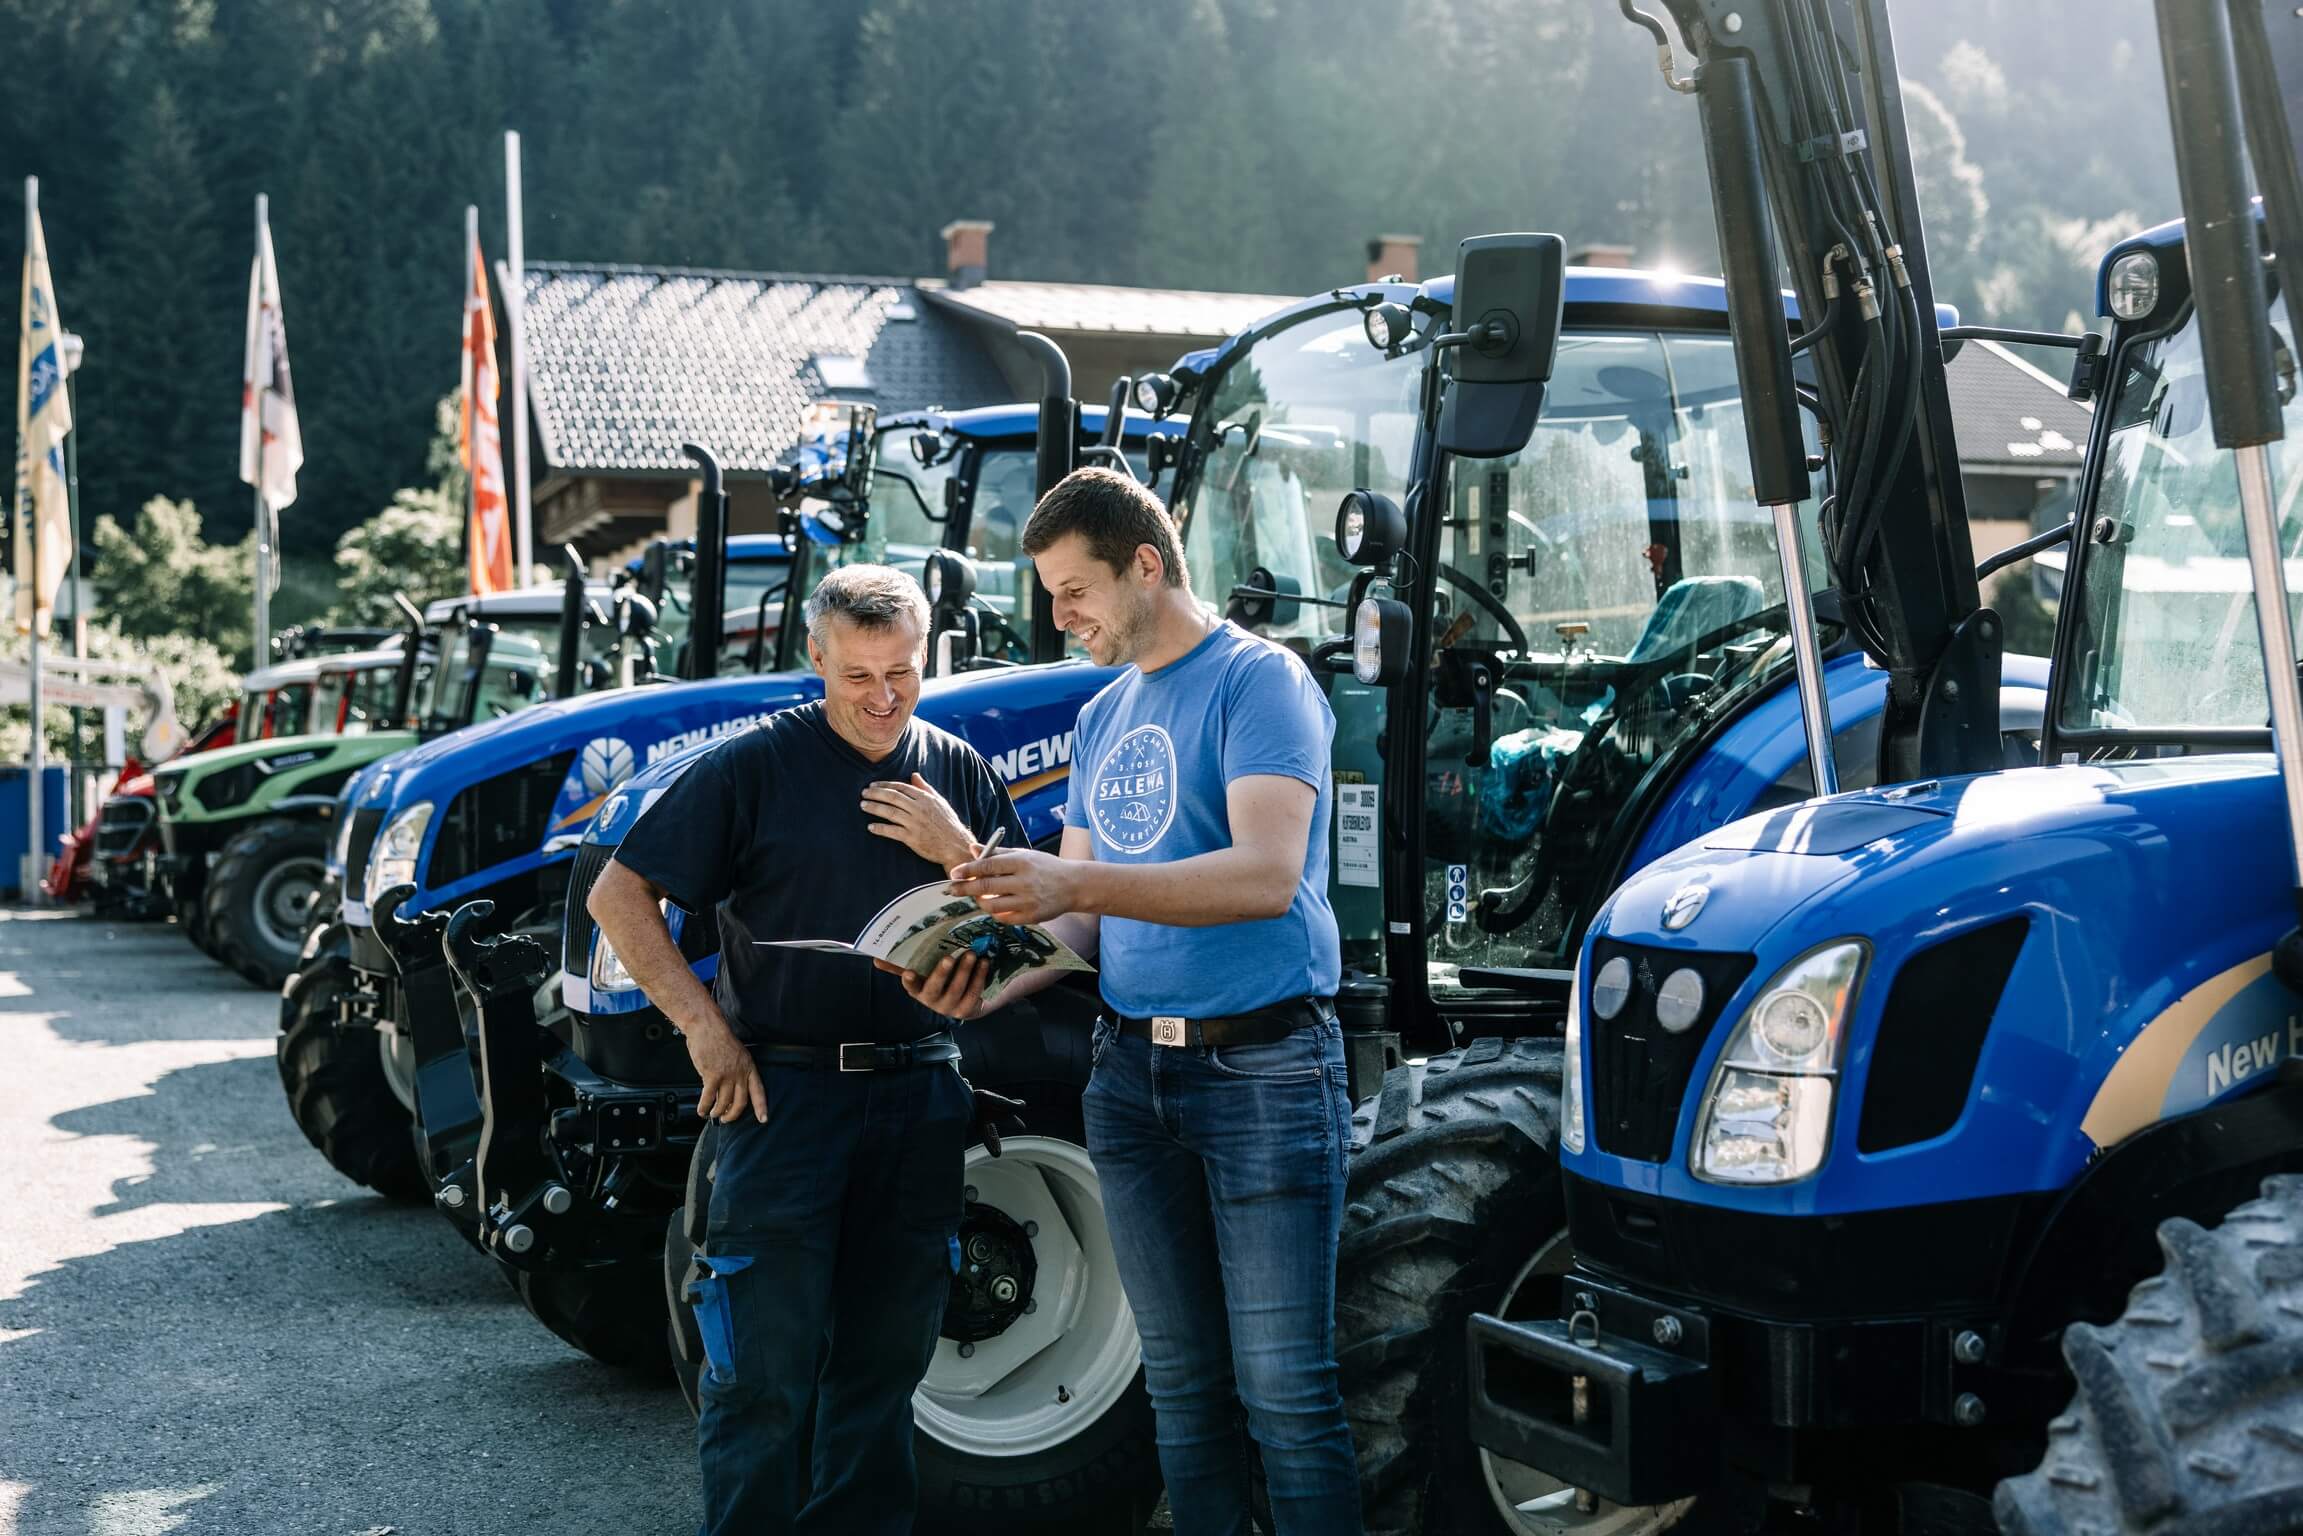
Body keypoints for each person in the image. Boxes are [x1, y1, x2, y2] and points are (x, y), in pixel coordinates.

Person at [885, 468, 1363, 1536]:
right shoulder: (1103, 714)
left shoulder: (1261, 682)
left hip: (1264, 1073)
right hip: (1130, 1078)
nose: (1061, 616)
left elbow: (1264, 876)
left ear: (1145, 565)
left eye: (1074, 590)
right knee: (1181, 1394)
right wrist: (976, 986)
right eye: (1051, 595)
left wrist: (1069, 884)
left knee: (1286, 1396)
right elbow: (1079, 927)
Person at [586, 563, 1025, 1536]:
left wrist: (957, 852)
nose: (882, 698)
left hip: (920, 1097)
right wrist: (706, 1032)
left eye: (901, 673)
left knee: (882, 1377)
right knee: (761, 1381)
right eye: (857, 675)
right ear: (816, 660)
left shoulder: (957, 769)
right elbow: (618, 895)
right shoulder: (752, 769)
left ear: (927, 656)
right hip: (781, 1102)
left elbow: (1024, 932)